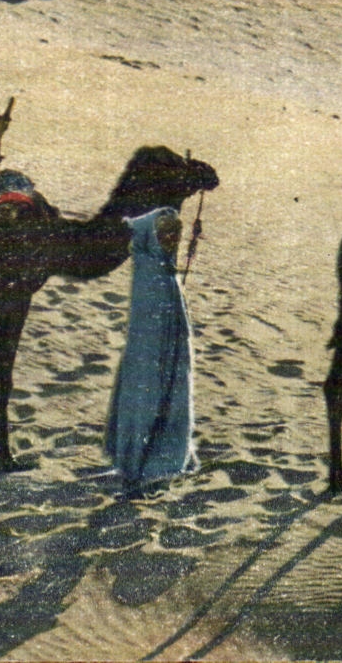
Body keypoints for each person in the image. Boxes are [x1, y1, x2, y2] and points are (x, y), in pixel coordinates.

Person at [105, 207, 197, 488]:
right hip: (148, 353)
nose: (172, 240)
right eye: (166, 234)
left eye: (176, 234)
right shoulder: (148, 269)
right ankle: (137, 461)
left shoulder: (165, 268)